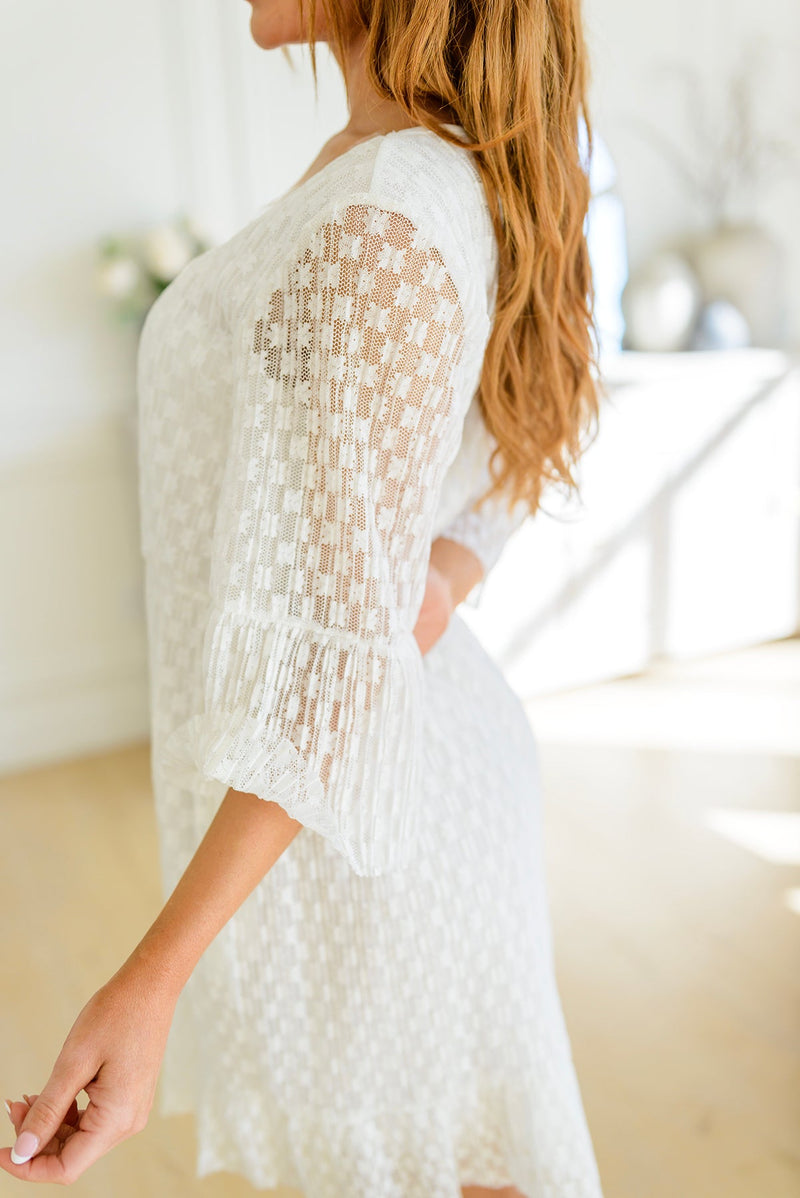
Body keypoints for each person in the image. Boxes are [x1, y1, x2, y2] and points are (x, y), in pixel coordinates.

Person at [1, 0, 604, 1193]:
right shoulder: (406, 176)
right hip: (385, 807)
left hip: (375, 844)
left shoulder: (383, 213)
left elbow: (322, 697)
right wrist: (430, 572)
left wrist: (148, 983)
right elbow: (517, 449)